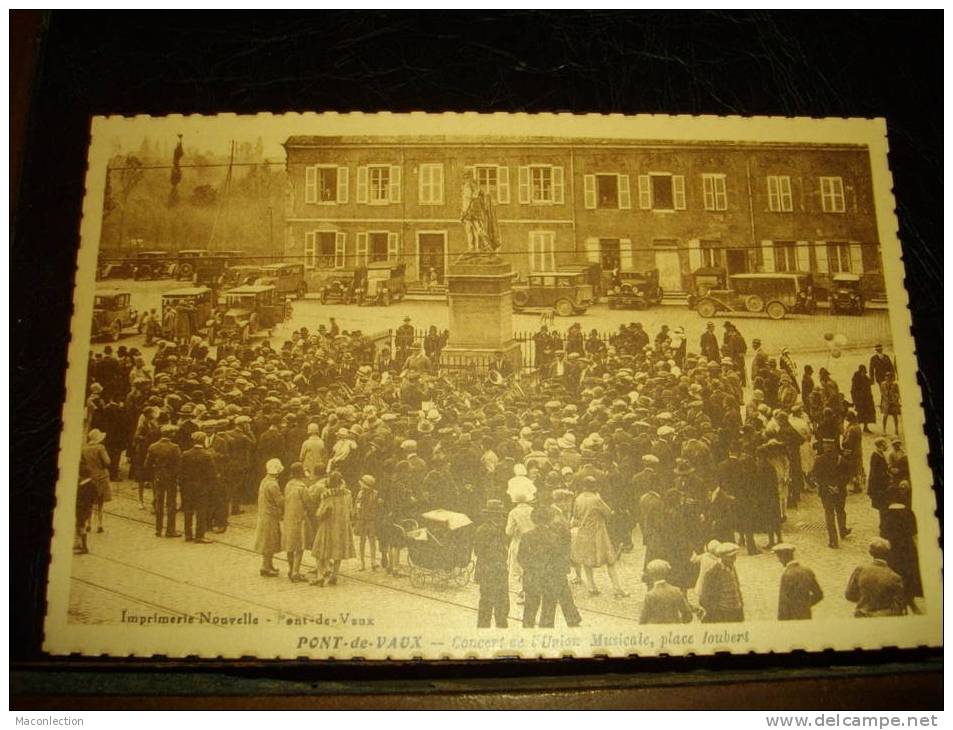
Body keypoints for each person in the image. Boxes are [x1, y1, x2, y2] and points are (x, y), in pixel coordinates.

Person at [571, 476, 629, 598]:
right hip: (598, 533)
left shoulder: (578, 498)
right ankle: (617, 588)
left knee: (586, 560)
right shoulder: (596, 499)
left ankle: (592, 587)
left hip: (583, 532)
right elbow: (608, 513)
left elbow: (575, 516)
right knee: (610, 560)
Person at [311, 471, 355, 587]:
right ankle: (334, 575)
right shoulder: (348, 494)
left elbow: (321, 512)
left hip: (328, 526)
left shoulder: (327, 494)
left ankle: (320, 576)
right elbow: (351, 511)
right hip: (342, 527)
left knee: (320, 551)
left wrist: (318, 515)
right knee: (338, 552)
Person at [881, 492, 922, 614]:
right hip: (908, 549)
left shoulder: (887, 514)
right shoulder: (909, 513)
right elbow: (914, 533)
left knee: (895, 573)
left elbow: (883, 533)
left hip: (893, 550)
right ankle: (910, 600)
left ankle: (897, 603)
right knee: (909, 573)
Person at [845, 538, 906, 617]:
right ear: (888, 554)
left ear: (871, 553)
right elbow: (898, 609)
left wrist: (865, 598)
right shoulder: (895, 578)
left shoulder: (860, 570)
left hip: (861, 616)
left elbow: (849, 595)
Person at [474, 499, 511, 628]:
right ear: (492, 515)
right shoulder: (488, 530)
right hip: (492, 571)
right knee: (495, 604)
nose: (501, 517)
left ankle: (486, 628)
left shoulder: (488, 529)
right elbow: (481, 551)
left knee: (489, 603)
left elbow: (477, 551)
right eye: (498, 514)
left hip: (490, 571)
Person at [810, 439, 851, 549]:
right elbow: (847, 476)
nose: (826, 446)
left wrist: (828, 486)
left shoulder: (819, 460)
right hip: (840, 491)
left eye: (826, 444)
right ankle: (842, 531)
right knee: (840, 511)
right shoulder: (841, 460)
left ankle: (833, 541)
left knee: (829, 514)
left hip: (826, 492)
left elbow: (815, 476)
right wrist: (838, 486)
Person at [143, 424, 182, 538]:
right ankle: (170, 530)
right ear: (171, 434)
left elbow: (147, 464)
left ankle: (158, 529)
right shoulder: (174, 447)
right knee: (171, 504)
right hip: (171, 478)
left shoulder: (153, 446)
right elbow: (179, 465)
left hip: (158, 477)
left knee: (159, 503)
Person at [180, 431, 215, 544]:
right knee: (201, 511)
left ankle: (188, 534)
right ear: (203, 440)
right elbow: (211, 473)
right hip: (202, 487)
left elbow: (181, 472)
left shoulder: (185, 454)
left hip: (188, 487)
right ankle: (199, 535)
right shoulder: (206, 455)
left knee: (188, 511)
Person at [772, 543, 823, 620]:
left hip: (791, 620)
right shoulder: (807, 571)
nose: (779, 560)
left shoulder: (787, 575)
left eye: (779, 557)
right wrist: (805, 604)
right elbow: (819, 594)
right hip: (806, 616)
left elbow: (783, 604)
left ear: (784, 557)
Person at [698, 542, 744, 623]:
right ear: (722, 557)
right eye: (731, 557)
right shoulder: (713, 573)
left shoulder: (732, 569)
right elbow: (704, 599)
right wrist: (714, 613)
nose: (734, 559)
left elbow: (736, 588)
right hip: (723, 613)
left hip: (737, 611)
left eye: (734, 556)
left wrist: (740, 605)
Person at [281, 462, 311, 582]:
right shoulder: (302, 487)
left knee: (290, 545)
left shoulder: (288, 485)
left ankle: (290, 569)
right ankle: (295, 572)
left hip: (288, 518)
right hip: (299, 519)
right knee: (299, 546)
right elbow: (308, 503)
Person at [254, 458, 284, 577]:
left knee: (267, 540)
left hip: (264, 514)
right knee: (269, 542)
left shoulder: (264, 481)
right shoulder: (273, 484)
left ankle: (269, 564)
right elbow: (280, 501)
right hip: (270, 516)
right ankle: (265, 567)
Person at [640, 559, 694, 624]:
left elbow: (643, 620)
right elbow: (688, 615)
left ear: (652, 576)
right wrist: (678, 622)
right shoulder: (676, 591)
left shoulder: (650, 595)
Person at [81, 429, 112, 534]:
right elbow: (107, 462)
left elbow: (82, 463)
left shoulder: (84, 448)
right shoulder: (100, 448)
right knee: (100, 502)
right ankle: (99, 524)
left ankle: (88, 524)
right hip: (101, 477)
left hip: (90, 477)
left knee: (89, 501)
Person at [353, 474, 381, 571]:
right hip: (363, 520)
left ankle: (373, 561)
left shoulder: (375, 494)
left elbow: (377, 507)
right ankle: (362, 562)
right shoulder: (360, 493)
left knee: (372, 541)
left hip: (370, 520)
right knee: (362, 541)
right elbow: (356, 506)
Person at [851, 365, 876, 433]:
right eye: (863, 372)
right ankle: (857, 427)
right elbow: (853, 391)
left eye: (864, 372)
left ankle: (865, 427)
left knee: (867, 414)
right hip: (860, 400)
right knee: (860, 414)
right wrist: (855, 400)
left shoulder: (865, 378)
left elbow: (871, 383)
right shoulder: (856, 379)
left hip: (867, 399)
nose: (864, 373)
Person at [880, 371, 901, 435]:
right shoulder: (882, 384)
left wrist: (894, 399)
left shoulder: (895, 384)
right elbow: (882, 393)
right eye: (886, 376)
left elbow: (898, 393)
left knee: (895, 416)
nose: (887, 378)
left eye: (889, 377)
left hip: (893, 402)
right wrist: (885, 400)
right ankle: (884, 430)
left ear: (891, 378)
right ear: (885, 377)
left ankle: (896, 429)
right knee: (885, 416)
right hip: (886, 402)